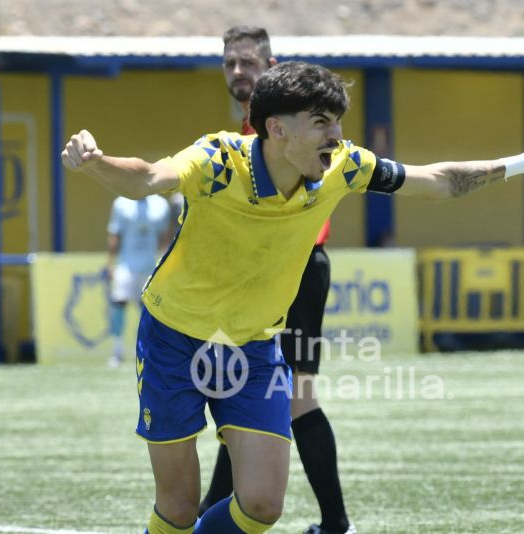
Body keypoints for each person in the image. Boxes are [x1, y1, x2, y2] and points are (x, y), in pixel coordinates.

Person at [61, 60, 524, 534]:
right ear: (276, 128)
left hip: (254, 347)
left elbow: (439, 181)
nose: (337, 135)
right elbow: (149, 177)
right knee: (176, 508)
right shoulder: (219, 160)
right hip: (172, 339)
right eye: (321, 122)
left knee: (263, 505)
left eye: (337, 121)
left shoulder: (343, 167)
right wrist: (95, 161)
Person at [196, 26, 351, 534]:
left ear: (271, 65)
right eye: (230, 64)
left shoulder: (288, 128)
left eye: (248, 62)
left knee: (295, 396)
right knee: (242, 392)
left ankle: (336, 524)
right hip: (261, 275)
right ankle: (215, 513)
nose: (239, 72)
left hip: (298, 269)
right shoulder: (252, 134)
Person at [106, 195, 170, 367]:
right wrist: (110, 264)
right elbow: (115, 235)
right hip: (126, 266)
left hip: (150, 267)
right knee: (119, 304)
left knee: (148, 311)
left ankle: (144, 351)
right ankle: (117, 351)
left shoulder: (161, 204)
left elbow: (164, 237)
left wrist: (165, 264)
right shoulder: (120, 203)